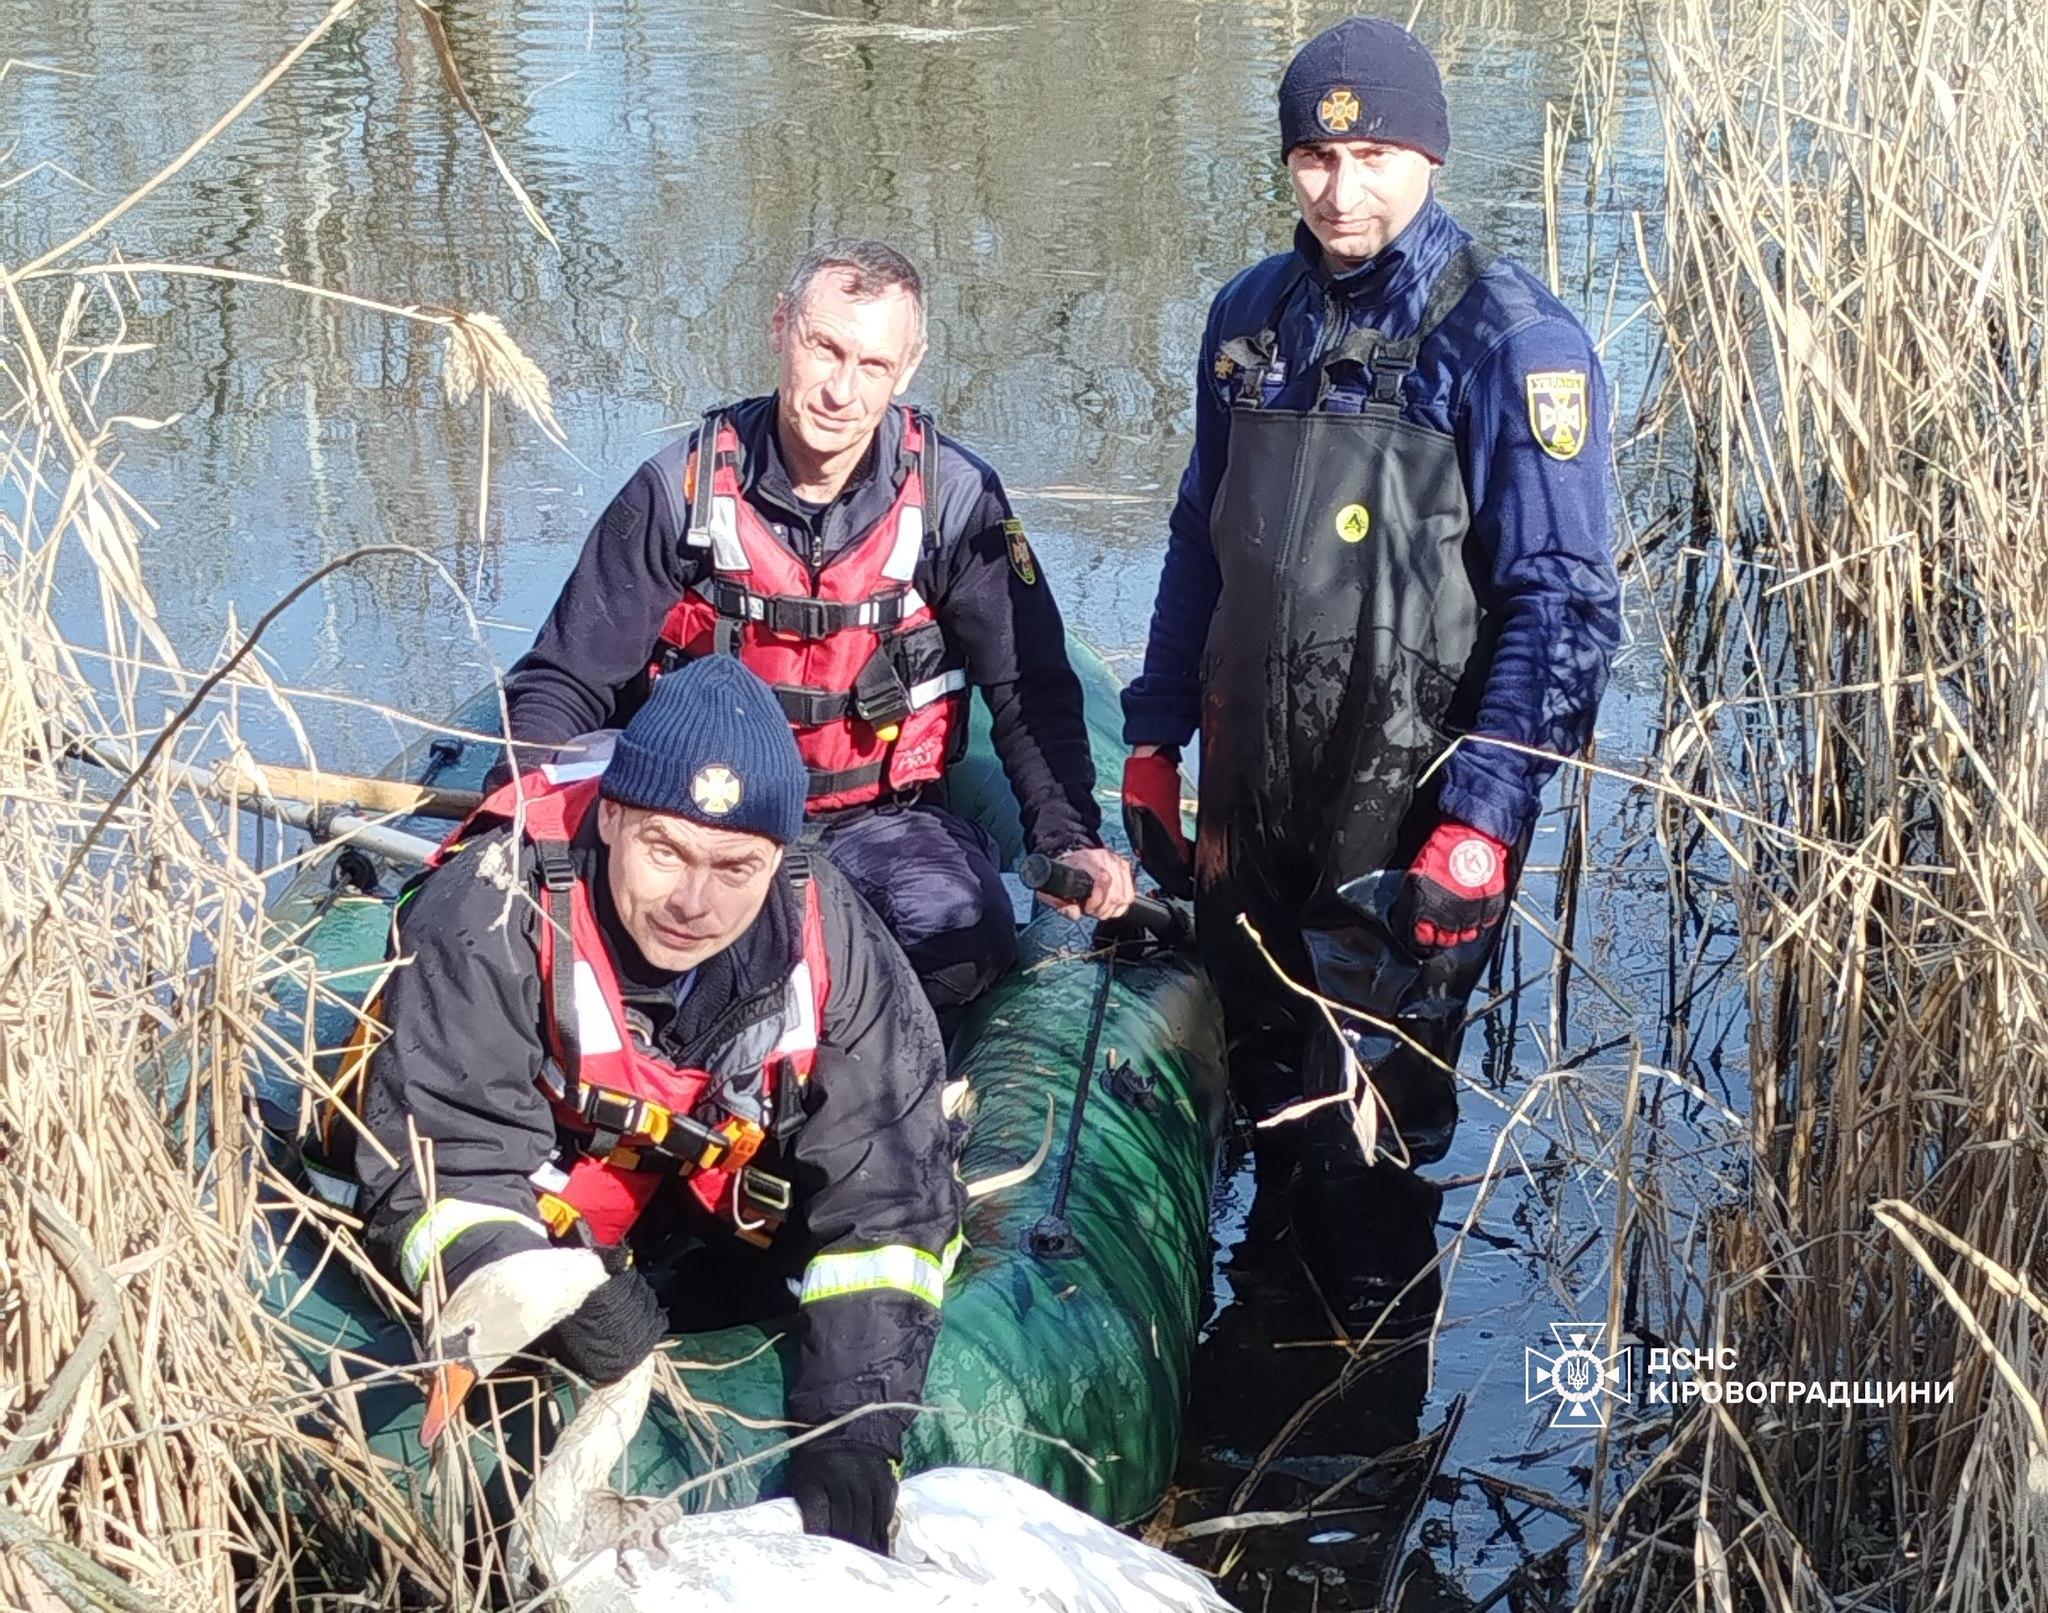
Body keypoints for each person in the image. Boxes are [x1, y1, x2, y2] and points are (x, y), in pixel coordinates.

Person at [1119, 17, 1621, 1324]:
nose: (1344, 190)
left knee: (1366, 1142)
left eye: (1377, 154)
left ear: (1432, 156)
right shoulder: (1247, 318)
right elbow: (1198, 533)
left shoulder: (1512, 339)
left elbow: (1564, 609)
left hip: (1405, 810)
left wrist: (1481, 826)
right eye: (1315, 156)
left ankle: (1360, 1457)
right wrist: (1154, 737)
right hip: (1249, 801)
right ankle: (1249, 1408)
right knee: (1270, 1105)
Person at [354, 656, 963, 1553]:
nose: (693, 901)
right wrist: (552, 1298)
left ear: (782, 858)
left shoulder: (830, 935)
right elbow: (441, 1164)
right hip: (554, 1210)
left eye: (734, 866)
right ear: (610, 818)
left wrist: (858, 1432)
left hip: (718, 1205)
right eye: (664, 850)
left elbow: (893, 1201)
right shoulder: (491, 910)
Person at [496, 239, 1134, 1016]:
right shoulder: (680, 490)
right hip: (698, 820)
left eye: (872, 365)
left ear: (909, 366)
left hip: (879, 822)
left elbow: (1028, 686)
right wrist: (516, 817)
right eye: (824, 348)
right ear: (780, 328)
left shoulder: (958, 503)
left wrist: (1067, 836)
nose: (841, 390)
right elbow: (567, 678)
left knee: (961, 935)